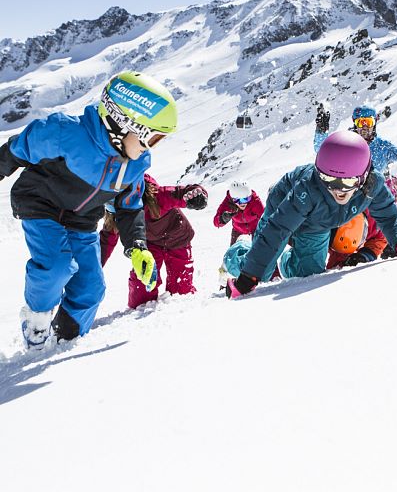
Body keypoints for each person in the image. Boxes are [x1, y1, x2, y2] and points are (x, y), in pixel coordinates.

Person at [0, 71, 177, 349]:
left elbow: (128, 207)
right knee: (57, 266)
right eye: (150, 138)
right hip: (41, 204)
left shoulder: (135, 165)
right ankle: (36, 322)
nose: (149, 148)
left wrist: (138, 246)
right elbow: (19, 149)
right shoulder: (66, 133)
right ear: (122, 123)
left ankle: (64, 340)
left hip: (81, 220)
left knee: (91, 288)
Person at [223, 131, 397, 299]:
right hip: (285, 207)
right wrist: (250, 275)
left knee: (308, 275)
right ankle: (237, 252)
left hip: (318, 222)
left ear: (363, 176)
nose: (338, 190)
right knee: (263, 273)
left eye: (348, 183)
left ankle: (288, 260)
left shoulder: (372, 184)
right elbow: (278, 228)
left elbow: (388, 216)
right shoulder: (309, 188)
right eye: (328, 180)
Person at [100, 174, 208, 308]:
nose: (118, 209)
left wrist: (196, 195)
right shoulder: (116, 216)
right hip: (150, 244)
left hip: (177, 239)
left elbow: (181, 193)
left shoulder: (157, 197)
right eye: (109, 204)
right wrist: (91, 268)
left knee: (181, 292)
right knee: (141, 294)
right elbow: (105, 243)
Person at [314, 103, 397, 171]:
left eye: (368, 122)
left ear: (374, 123)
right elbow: (323, 152)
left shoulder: (383, 147)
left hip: (374, 199)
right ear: (355, 124)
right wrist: (321, 132)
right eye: (360, 122)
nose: (364, 127)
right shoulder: (346, 142)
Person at [213, 180, 265, 246]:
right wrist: (222, 219)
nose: (242, 203)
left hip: (255, 230)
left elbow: (265, 217)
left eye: (245, 199)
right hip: (238, 231)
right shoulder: (228, 202)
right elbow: (216, 222)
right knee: (233, 253)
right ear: (232, 199)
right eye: (237, 200)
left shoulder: (255, 202)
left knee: (258, 250)